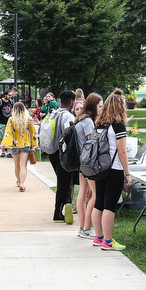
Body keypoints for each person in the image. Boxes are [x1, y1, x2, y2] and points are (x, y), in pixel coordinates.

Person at [88, 89, 131, 250]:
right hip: (114, 170)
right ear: (120, 106)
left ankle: (98, 238)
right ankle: (108, 241)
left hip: (99, 169)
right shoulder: (118, 125)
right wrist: (127, 174)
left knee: (98, 203)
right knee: (109, 206)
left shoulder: (99, 123)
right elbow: (122, 152)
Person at [45, 90, 77, 223]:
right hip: (63, 153)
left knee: (64, 181)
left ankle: (66, 203)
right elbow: (67, 132)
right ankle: (57, 213)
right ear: (71, 102)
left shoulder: (54, 113)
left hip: (52, 152)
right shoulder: (68, 116)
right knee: (63, 184)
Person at [75, 93, 103, 238]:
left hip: (81, 163)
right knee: (95, 195)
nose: (101, 108)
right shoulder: (88, 122)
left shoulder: (80, 119)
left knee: (83, 194)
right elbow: (91, 145)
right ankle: (87, 228)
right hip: (89, 163)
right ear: (93, 106)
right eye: (99, 105)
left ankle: (82, 227)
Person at [0, 102, 36, 192]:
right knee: (23, 165)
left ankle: (19, 182)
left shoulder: (11, 119)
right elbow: (33, 133)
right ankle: (22, 184)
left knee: (17, 165)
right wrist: (34, 145)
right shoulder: (28, 119)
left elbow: (8, 133)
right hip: (25, 145)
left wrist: (4, 144)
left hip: (15, 145)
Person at [0, 90, 13, 155]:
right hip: (1, 122)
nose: (10, 96)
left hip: (9, 123)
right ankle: (3, 151)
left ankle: (8, 151)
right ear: (5, 95)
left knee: (9, 136)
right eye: (9, 95)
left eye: (11, 95)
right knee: (1, 137)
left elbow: (12, 112)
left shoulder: (11, 102)